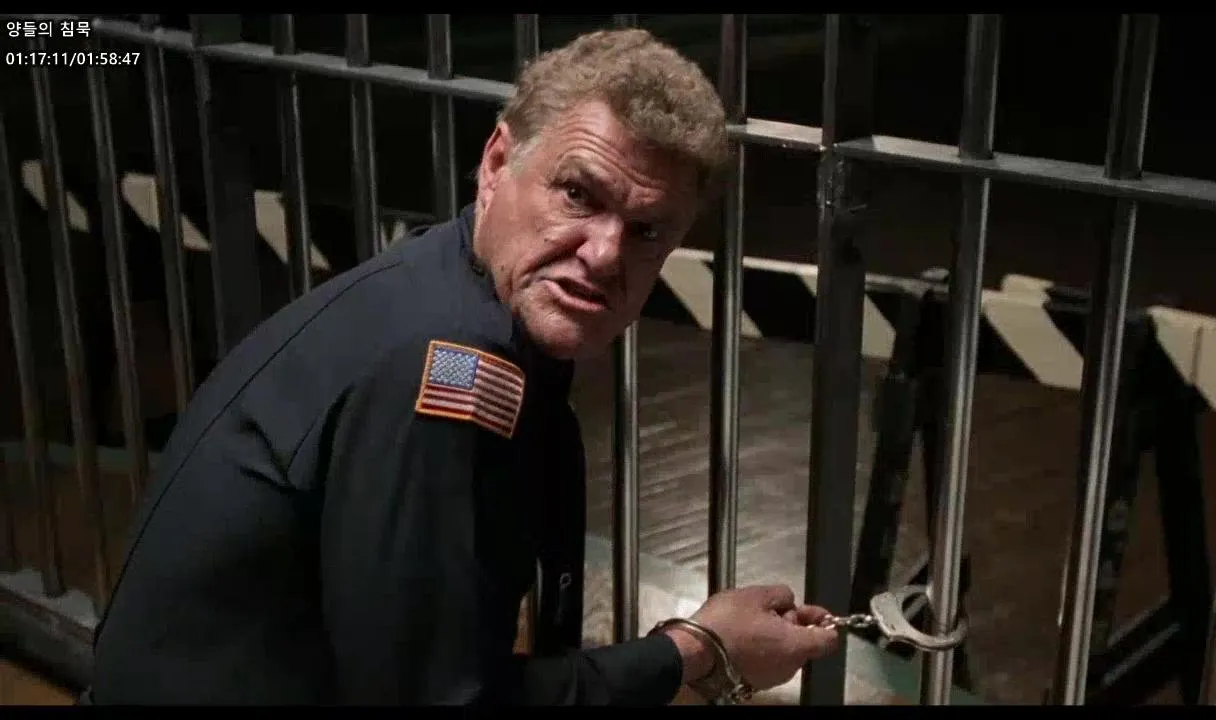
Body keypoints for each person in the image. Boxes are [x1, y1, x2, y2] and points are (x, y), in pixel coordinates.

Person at [87, 27, 842, 705]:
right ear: (497, 163)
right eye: (578, 194)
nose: (605, 253)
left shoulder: (443, 287)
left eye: (646, 231)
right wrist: (697, 652)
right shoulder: (448, 361)